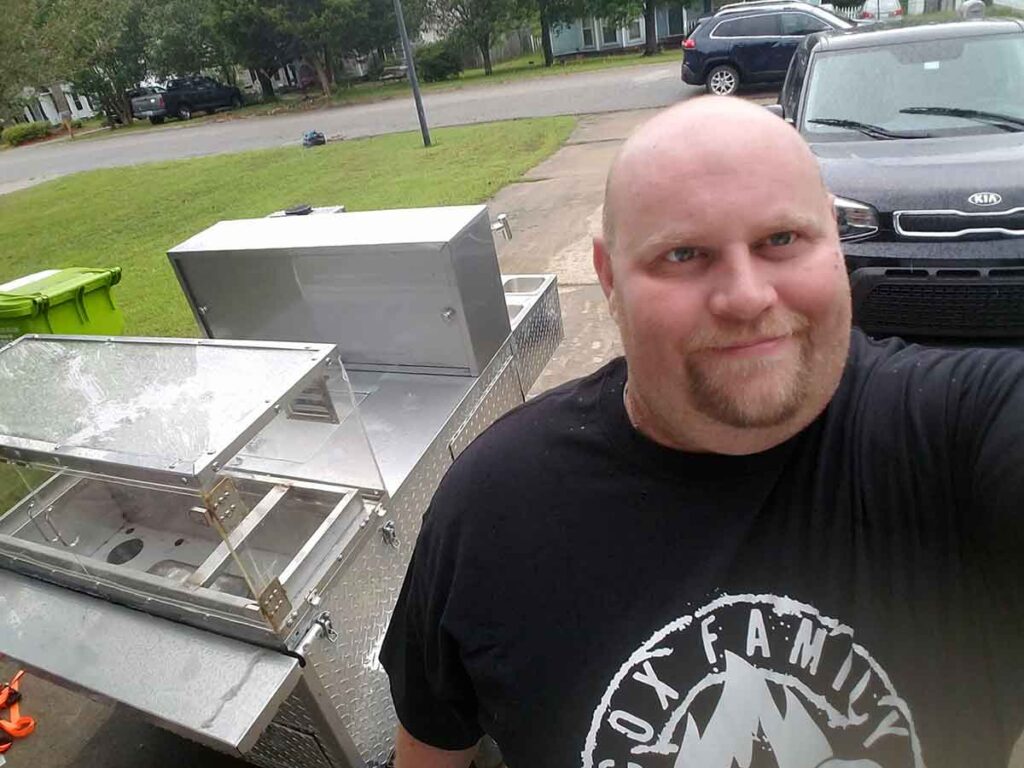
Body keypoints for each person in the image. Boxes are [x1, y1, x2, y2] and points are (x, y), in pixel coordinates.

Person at [380, 96, 1024, 768]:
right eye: (683, 254)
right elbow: (430, 751)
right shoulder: (491, 509)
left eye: (781, 240)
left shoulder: (961, 431)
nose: (746, 297)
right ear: (607, 277)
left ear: (834, 242)